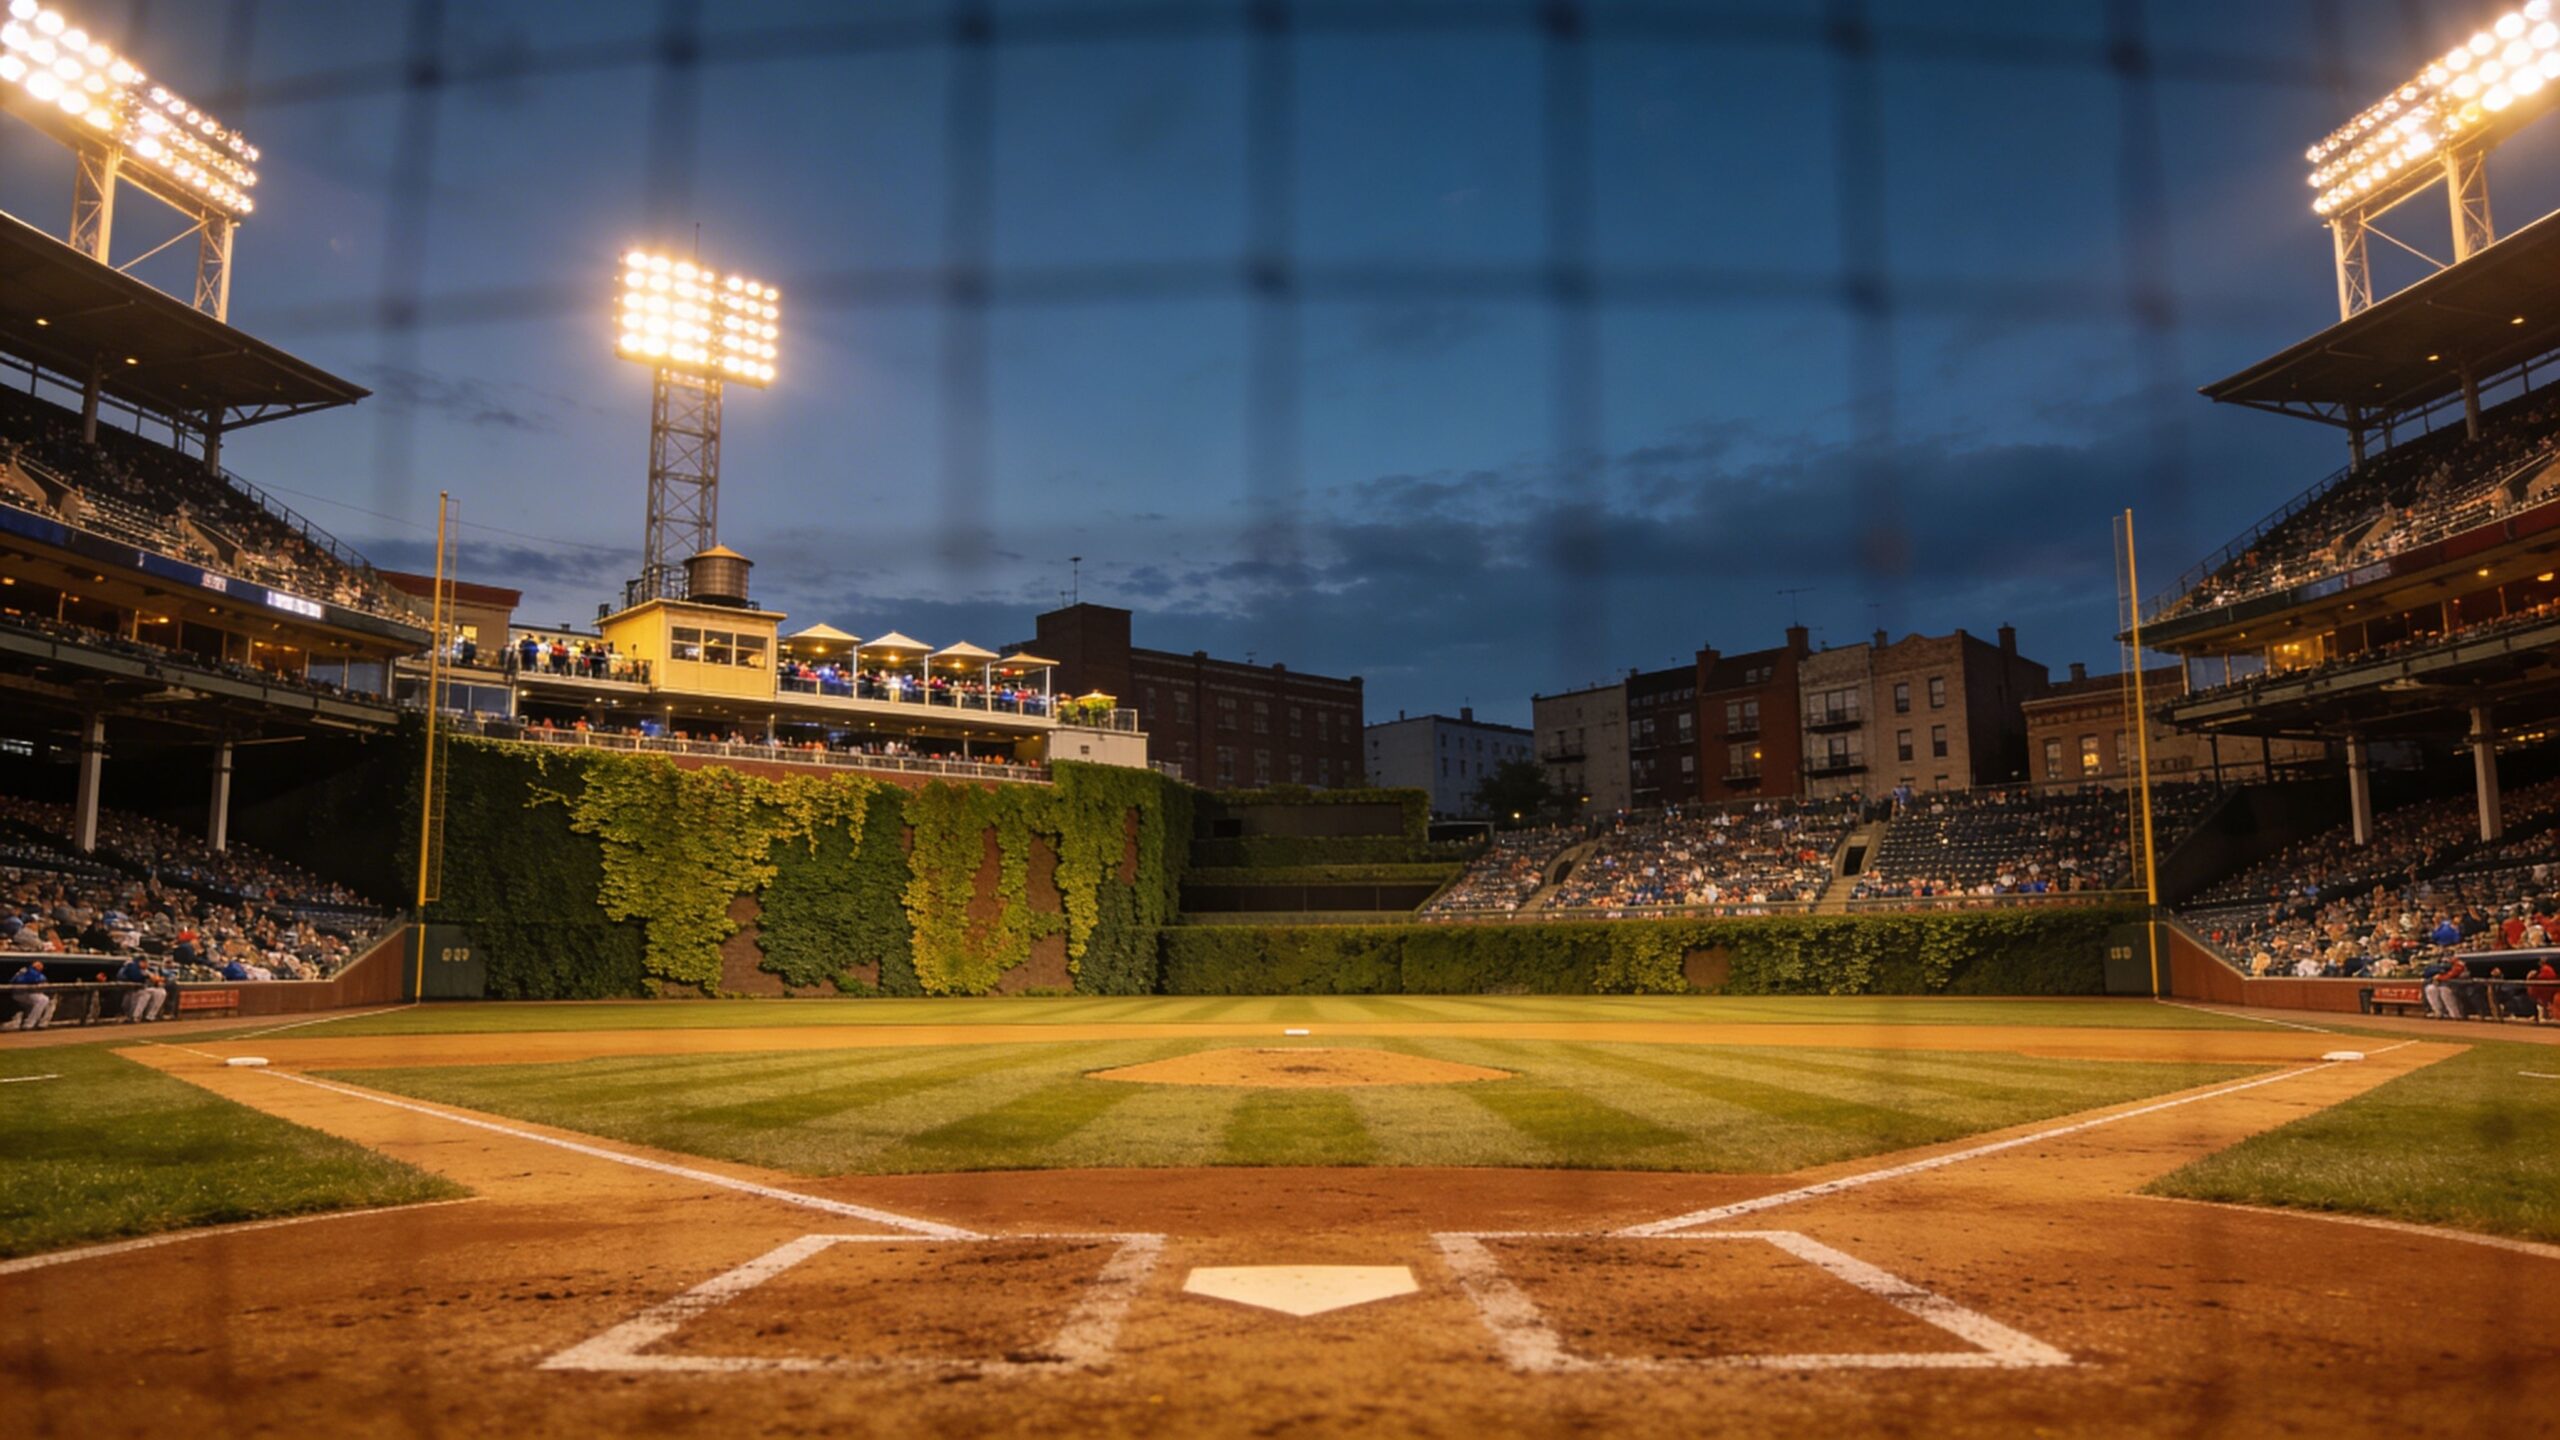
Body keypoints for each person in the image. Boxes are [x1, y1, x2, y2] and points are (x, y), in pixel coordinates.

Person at [8, 957, 54, 1031]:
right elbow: (16, 981)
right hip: (20, 994)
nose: (40, 966)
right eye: (38, 965)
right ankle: (28, 1024)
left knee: (48, 1002)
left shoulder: (39, 974)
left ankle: (42, 1024)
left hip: (30, 994)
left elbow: (43, 982)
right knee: (43, 999)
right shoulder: (25, 971)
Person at [116, 955, 165, 1022]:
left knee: (161, 992)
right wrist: (148, 976)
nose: (147, 964)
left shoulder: (146, 969)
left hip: (138, 991)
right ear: (140, 962)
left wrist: (157, 980)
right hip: (128, 992)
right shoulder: (131, 966)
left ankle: (150, 1016)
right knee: (145, 993)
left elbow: (157, 979)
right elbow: (136, 977)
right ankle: (134, 1017)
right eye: (145, 962)